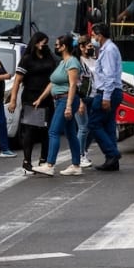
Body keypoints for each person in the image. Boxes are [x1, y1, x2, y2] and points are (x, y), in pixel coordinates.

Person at [36, 34, 84, 176]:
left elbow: (73, 85)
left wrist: (68, 106)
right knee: (70, 133)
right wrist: (41, 98)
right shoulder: (63, 63)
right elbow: (53, 83)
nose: (55, 47)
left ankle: (50, 165)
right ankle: (76, 165)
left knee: (53, 131)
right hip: (59, 100)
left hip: (65, 100)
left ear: (64, 47)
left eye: (57, 45)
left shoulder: (72, 63)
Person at [7, 31, 55, 174]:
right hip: (31, 98)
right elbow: (17, 80)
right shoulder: (27, 59)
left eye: (45, 42)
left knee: (46, 130)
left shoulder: (49, 58)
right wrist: (13, 100)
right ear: (35, 43)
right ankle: (27, 161)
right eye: (41, 42)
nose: (44, 45)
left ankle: (43, 159)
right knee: (30, 130)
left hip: (46, 98)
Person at [88, 23, 124, 171]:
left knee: (94, 124)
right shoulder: (106, 49)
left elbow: (109, 76)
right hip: (111, 91)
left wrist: (106, 97)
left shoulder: (108, 50)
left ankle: (112, 153)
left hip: (107, 92)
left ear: (100, 35)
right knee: (108, 125)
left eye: (93, 35)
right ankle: (111, 160)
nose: (93, 38)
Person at [75, 35, 98, 168]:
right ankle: (79, 155)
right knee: (83, 127)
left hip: (93, 96)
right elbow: (75, 83)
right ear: (81, 47)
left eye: (92, 46)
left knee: (91, 127)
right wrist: (79, 101)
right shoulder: (78, 62)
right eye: (89, 46)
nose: (91, 49)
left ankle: (83, 151)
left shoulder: (93, 60)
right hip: (81, 98)